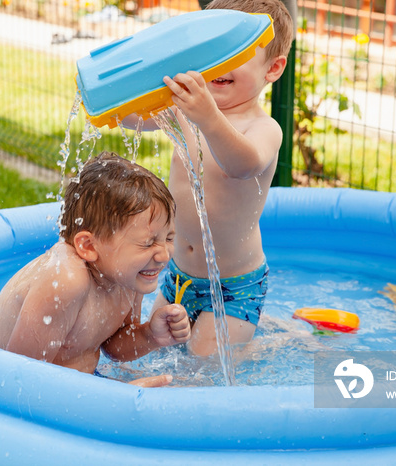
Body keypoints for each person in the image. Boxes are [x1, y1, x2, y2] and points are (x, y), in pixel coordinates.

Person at [146, 0, 295, 355]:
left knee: (202, 369)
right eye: (213, 49)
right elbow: (136, 119)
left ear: (272, 68)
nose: (221, 63)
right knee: (149, 349)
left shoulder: (264, 128)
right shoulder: (186, 111)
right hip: (178, 277)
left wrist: (209, 118)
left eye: (237, 53)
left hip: (234, 286)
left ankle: (263, 346)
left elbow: (241, 164)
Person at [0, 152, 191, 387]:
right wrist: (113, 401)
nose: (164, 255)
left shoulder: (130, 274)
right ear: (89, 246)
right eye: (148, 243)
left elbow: (113, 347)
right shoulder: (65, 281)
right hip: (32, 393)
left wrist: (150, 335)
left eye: (169, 238)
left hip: (75, 389)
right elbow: (15, 381)